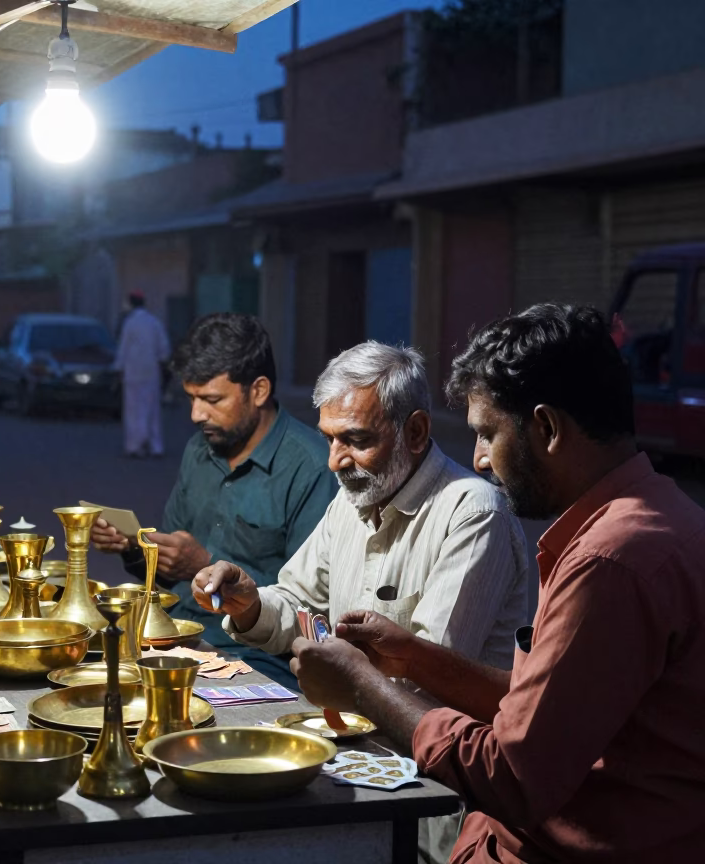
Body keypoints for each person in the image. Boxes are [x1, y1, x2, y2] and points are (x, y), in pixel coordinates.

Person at [290, 304, 705, 863]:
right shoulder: (649, 516)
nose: (480, 460)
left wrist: (361, 684)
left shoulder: (611, 560)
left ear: (548, 428)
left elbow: (513, 775)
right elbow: (539, 707)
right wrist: (411, 655)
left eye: (487, 434)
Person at [194, 342, 529, 864]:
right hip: (357, 754)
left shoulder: (471, 513)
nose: (335, 461)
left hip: (436, 789)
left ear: (415, 432)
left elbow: (425, 676)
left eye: (356, 440)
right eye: (329, 440)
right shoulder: (355, 500)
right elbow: (297, 600)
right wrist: (249, 605)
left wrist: (343, 670)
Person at [92, 313, 336, 686]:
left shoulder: (312, 468)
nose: (195, 414)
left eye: (211, 399)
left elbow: (310, 609)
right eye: (191, 398)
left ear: (258, 390)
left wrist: (204, 565)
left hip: (255, 661)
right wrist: (133, 547)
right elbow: (167, 576)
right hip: (176, 638)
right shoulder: (200, 449)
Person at [113, 292, 170, 458]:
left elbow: (123, 349)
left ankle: (135, 445)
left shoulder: (129, 324)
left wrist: (118, 368)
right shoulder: (154, 322)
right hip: (151, 373)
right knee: (152, 409)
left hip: (132, 373)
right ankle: (155, 445)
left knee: (133, 409)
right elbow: (164, 349)